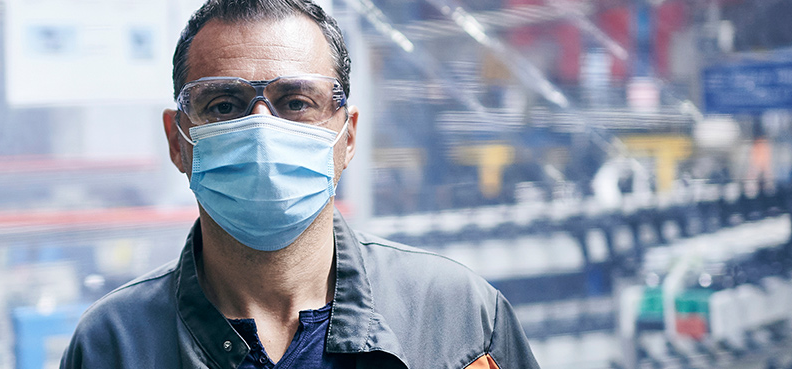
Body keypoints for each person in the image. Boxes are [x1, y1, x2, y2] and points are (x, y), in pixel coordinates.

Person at [60, 1, 540, 368]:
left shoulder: (460, 321)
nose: (262, 132)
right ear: (178, 140)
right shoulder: (112, 345)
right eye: (224, 106)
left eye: (296, 102)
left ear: (347, 136)